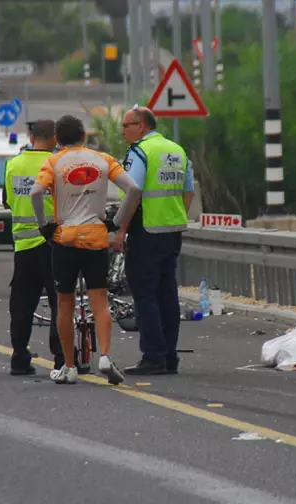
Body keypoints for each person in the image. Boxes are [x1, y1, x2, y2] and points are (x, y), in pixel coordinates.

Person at [30, 115, 142, 385]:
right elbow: (134, 189)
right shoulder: (103, 159)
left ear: (57, 139)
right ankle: (104, 355)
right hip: (96, 237)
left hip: (65, 238)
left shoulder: (53, 162)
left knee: (65, 303)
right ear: (83, 135)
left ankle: (69, 365)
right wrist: (115, 223)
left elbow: (35, 193)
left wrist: (44, 226)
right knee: (99, 301)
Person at [118, 105, 194, 376]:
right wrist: (176, 214)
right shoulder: (177, 150)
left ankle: (153, 356)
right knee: (167, 294)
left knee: (145, 295)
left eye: (126, 125)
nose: (123, 131)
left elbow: (133, 192)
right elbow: (189, 191)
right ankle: (169, 355)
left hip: (146, 231)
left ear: (141, 125)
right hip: (172, 231)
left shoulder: (140, 151)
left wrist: (119, 230)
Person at [3, 119, 63, 375]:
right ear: (53, 137)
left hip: (24, 246)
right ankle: (61, 358)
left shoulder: (14, 163)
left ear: (32, 137)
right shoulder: (57, 163)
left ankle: (19, 357)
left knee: (22, 304)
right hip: (53, 243)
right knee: (60, 301)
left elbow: (7, 202)